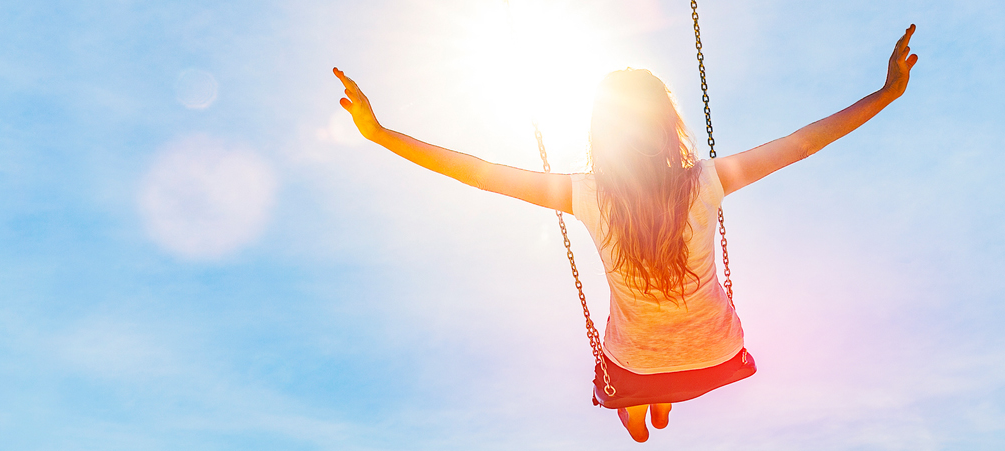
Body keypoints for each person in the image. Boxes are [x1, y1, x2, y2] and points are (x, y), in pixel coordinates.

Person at [333, 25, 918, 442]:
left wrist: (381, 133)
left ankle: (645, 406)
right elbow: (804, 142)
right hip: (717, 350)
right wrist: (887, 93)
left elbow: (479, 173)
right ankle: (655, 400)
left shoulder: (586, 194)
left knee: (634, 393)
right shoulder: (708, 180)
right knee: (657, 367)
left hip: (635, 362)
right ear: (669, 124)